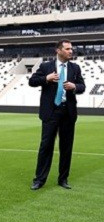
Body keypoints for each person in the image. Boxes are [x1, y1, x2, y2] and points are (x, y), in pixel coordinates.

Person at [29, 39, 85, 190]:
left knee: (66, 147)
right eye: (67, 49)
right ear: (58, 51)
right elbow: (32, 81)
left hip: (68, 112)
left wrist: (74, 87)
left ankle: (63, 179)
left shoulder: (75, 68)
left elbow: (82, 86)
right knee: (46, 146)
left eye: (71, 49)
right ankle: (39, 180)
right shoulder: (46, 66)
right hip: (51, 111)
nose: (71, 51)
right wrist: (46, 79)